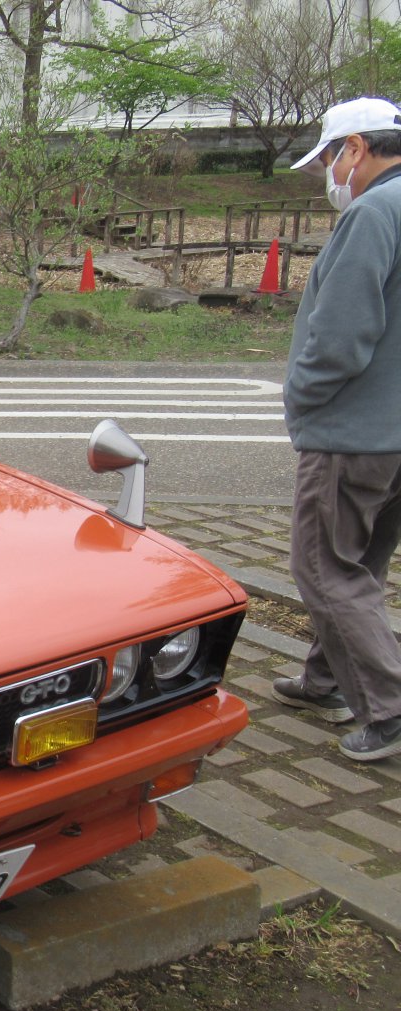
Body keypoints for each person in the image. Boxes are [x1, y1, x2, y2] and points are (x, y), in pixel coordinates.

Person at [270, 97, 401, 762]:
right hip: (395, 432)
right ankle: (325, 677)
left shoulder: (375, 212)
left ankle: (387, 705)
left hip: (353, 429)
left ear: (354, 148)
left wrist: (303, 396)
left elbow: (343, 335)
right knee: (359, 564)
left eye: (327, 158)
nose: (328, 174)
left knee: (322, 567)